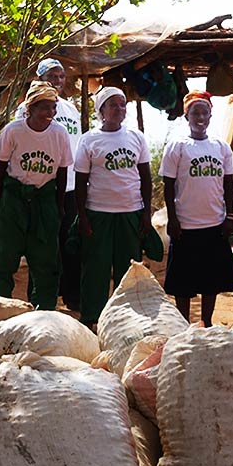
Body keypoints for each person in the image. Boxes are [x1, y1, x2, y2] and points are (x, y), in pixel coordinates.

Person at [0, 81, 72, 309]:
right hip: (14, 200)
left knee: (45, 261)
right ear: (30, 108)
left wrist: (58, 205)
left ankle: (43, 312)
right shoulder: (14, 130)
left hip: (44, 200)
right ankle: (0, 310)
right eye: (44, 107)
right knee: (2, 258)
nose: (50, 113)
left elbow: (62, 172)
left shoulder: (60, 134)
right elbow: (0, 167)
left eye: (53, 108)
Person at [73, 86, 154, 328]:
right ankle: (91, 320)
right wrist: (83, 216)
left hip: (130, 212)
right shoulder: (89, 140)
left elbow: (145, 178)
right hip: (99, 213)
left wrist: (146, 213)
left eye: (122, 104)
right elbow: (80, 181)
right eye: (113, 105)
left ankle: (126, 319)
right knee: (95, 269)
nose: (119, 109)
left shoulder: (136, 137)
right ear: (101, 110)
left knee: (128, 271)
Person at [159, 90, 233, 326]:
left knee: (210, 280)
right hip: (186, 224)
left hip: (213, 223)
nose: (200, 117)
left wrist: (229, 216)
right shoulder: (178, 146)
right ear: (187, 116)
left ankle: (206, 321)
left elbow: (228, 184)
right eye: (195, 113)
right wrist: (173, 219)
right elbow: (168, 185)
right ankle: (184, 324)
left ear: (211, 116)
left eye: (205, 112)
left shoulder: (221, 147)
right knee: (183, 282)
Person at [15, 58, 83, 310]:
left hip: (70, 186)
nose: (58, 81)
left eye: (61, 76)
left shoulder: (71, 110)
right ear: (40, 78)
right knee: (41, 244)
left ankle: (72, 296)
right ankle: (39, 297)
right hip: (42, 186)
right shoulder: (25, 109)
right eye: (52, 76)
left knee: (70, 242)